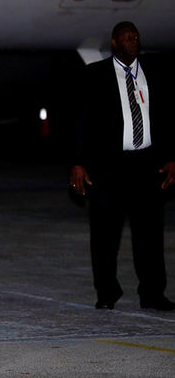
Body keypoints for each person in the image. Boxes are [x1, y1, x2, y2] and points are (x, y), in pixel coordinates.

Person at [70, 21, 175, 311]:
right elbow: (80, 121)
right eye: (126, 37)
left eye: (135, 37)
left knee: (150, 235)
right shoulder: (95, 75)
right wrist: (78, 162)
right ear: (114, 42)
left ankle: (152, 293)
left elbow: (167, 118)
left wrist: (170, 157)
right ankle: (106, 292)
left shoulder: (155, 72)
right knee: (105, 235)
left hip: (147, 165)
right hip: (108, 167)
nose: (132, 41)